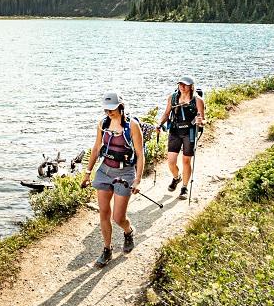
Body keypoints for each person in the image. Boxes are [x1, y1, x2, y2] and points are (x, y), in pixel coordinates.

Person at [81, 91, 144, 267]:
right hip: (105, 171)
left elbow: (140, 154)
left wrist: (137, 180)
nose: (109, 112)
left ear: (121, 106)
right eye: (106, 109)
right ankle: (107, 249)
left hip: (125, 173)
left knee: (118, 217)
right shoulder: (103, 123)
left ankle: (128, 231)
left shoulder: (131, 126)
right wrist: (87, 172)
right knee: (103, 212)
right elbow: (95, 149)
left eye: (112, 109)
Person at [156, 77, 205, 199]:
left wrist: (201, 121)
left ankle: (184, 188)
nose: (182, 87)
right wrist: (159, 123)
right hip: (175, 131)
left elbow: (203, 119)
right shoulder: (172, 98)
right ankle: (177, 178)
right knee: (171, 162)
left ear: (191, 86)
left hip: (190, 132)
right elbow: (167, 114)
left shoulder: (198, 100)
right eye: (180, 84)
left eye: (185, 85)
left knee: (186, 161)